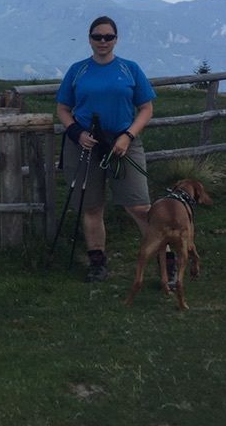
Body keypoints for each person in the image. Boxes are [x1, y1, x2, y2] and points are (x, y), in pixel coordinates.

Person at [56, 15, 157, 282]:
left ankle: (165, 258)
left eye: (108, 37)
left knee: (139, 206)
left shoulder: (130, 69)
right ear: (89, 39)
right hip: (84, 143)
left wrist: (128, 136)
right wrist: (76, 132)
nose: (103, 41)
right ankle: (97, 262)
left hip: (123, 143)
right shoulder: (77, 70)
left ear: (116, 39)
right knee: (91, 206)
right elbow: (63, 108)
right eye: (98, 37)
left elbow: (146, 108)